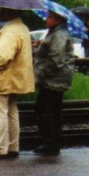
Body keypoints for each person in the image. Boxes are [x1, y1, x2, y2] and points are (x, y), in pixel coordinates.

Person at [0, 6, 36, 159]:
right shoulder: (22, 28)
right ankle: (13, 146)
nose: (2, 12)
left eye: (4, 10)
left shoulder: (10, 31)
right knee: (12, 112)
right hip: (15, 78)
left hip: (3, 78)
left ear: (11, 11)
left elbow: (1, 56)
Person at [33, 8, 75, 156]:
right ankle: (53, 142)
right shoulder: (55, 33)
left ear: (58, 20)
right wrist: (39, 47)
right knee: (53, 110)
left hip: (53, 79)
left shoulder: (59, 35)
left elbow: (55, 59)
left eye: (49, 17)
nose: (46, 19)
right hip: (58, 78)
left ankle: (50, 143)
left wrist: (40, 74)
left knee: (43, 109)